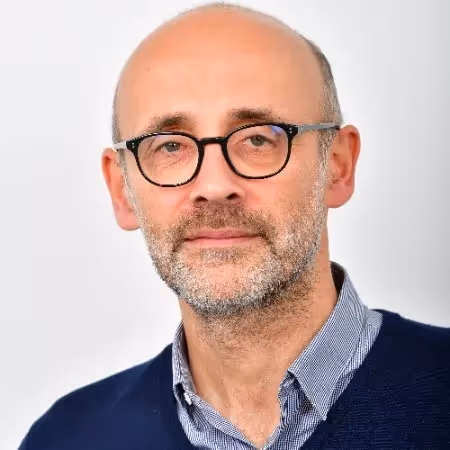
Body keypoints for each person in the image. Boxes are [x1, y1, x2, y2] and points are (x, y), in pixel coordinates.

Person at [19, 3, 450, 450]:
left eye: (259, 138)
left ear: (337, 166)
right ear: (122, 190)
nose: (214, 186)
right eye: (169, 147)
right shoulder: (64, 439)